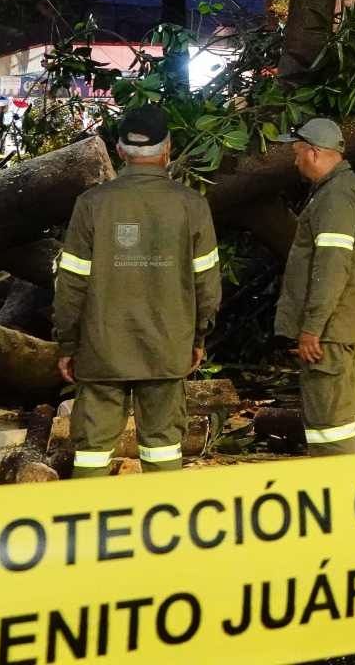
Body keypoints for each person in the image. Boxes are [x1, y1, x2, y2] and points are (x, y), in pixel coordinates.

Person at [53, 106, 221, 476]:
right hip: (166, 346)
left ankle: (92, 525)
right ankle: (160, 527)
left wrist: (67, 342)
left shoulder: (92, 204)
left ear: (120, 150)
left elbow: (71, 283)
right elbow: (207, 284)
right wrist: (198, 336)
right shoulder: (192, 205)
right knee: (163, 447)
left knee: (93, 451)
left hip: (101, 350)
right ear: (168, 149)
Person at [273, 118, 355, 455]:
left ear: (314, 153)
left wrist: (312, 328)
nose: (294, 160)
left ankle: (335, 488)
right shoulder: (338, 191)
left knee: (328, 421)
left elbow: (332, 267)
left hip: (330, 331)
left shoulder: (337, 197)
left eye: (297, 152)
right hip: (336, 327)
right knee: (334, 415)